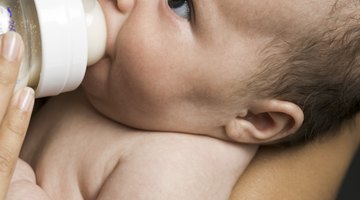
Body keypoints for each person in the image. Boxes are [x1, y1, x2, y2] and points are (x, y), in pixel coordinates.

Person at [3, 0, 360, 199]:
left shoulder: (174, 171)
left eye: (180, 5)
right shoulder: (120, 87)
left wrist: (16, 185)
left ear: (257, 120)